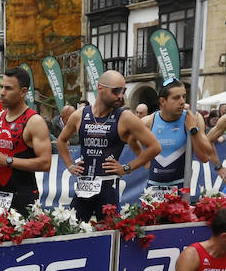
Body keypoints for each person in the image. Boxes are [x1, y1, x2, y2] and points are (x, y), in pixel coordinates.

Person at [56, 71, 162, 222]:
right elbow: (61, 141)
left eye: (123, 91)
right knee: (73, 232)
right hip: (83, 187)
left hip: (108, 188)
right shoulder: (80, 115)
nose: (120, 96)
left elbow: (155, 147)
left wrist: (127, 168)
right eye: (116, 91)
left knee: (108, 235)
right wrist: (70, 165)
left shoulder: (125, 118)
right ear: (100, 88)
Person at [0, 67, 53, 214]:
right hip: (1, 194)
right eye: (1, 87)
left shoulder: (34, 121)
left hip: (24, 196)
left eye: (8, 88)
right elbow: (0, 150)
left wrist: (7, 161)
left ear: (23, 92)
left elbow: (46, 164)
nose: (2, 92)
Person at [139, 78, 217, 191]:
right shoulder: (148, 121)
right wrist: (142, 162)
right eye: (176, 98)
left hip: (181, 187)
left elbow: (205, 157)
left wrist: (193, 130)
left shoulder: (192, 118)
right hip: (153, 187)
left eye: (184, 97)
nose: (182, 102)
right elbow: (131, 140)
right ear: (162, 101)